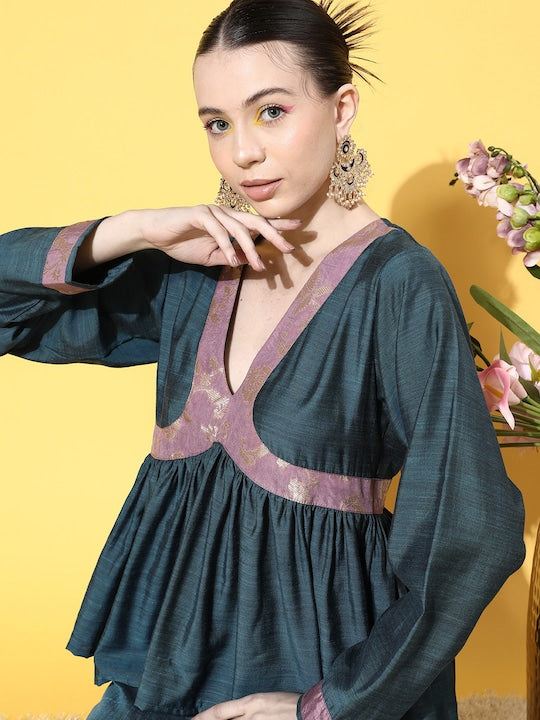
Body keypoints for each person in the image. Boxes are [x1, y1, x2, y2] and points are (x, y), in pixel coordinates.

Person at [0, 0, 525, 718]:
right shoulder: (196, 266)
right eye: (217, 123)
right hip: (161, 671)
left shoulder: (398, 284)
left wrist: (326, 705)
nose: (242, 152)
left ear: (341, 109)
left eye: (271, 112)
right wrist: (133, 230)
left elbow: (470, 528)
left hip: (317, 670)